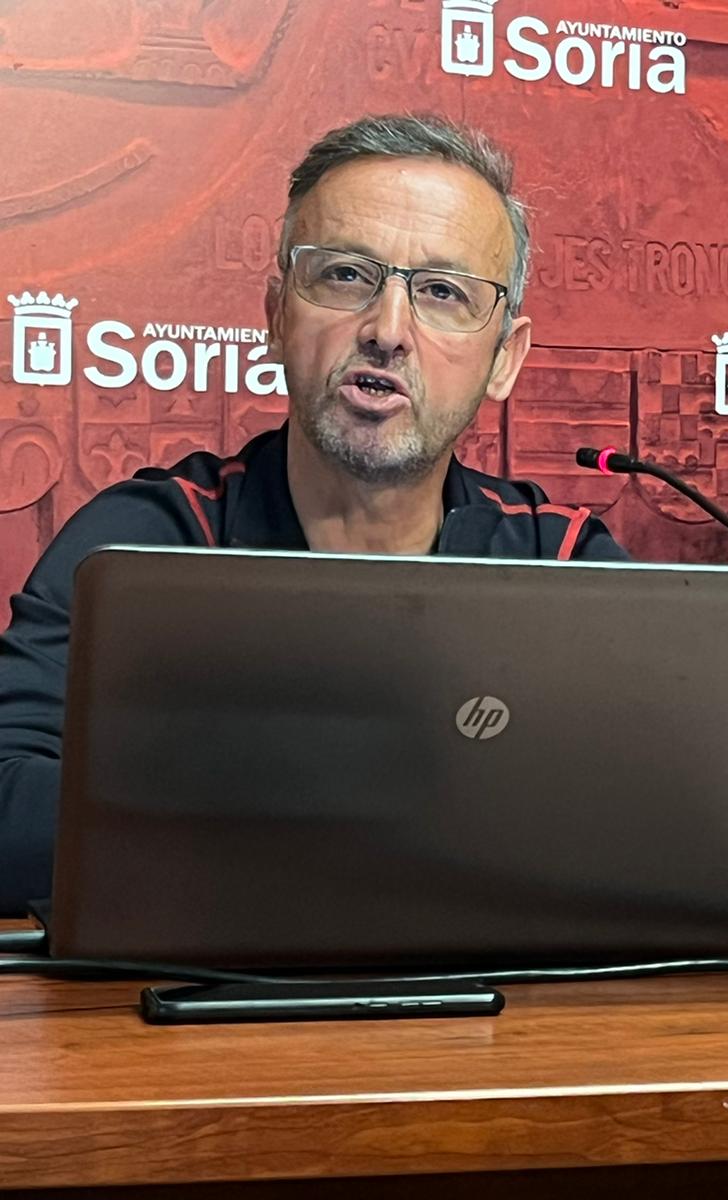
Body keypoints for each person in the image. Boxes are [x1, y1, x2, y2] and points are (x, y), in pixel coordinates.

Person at [0, 115, 626, 914]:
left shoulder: (562, 562)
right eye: (343, 276)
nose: (387, 332)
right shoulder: (147, 543)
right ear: (275, 315)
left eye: (442, 293)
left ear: (504, 357)